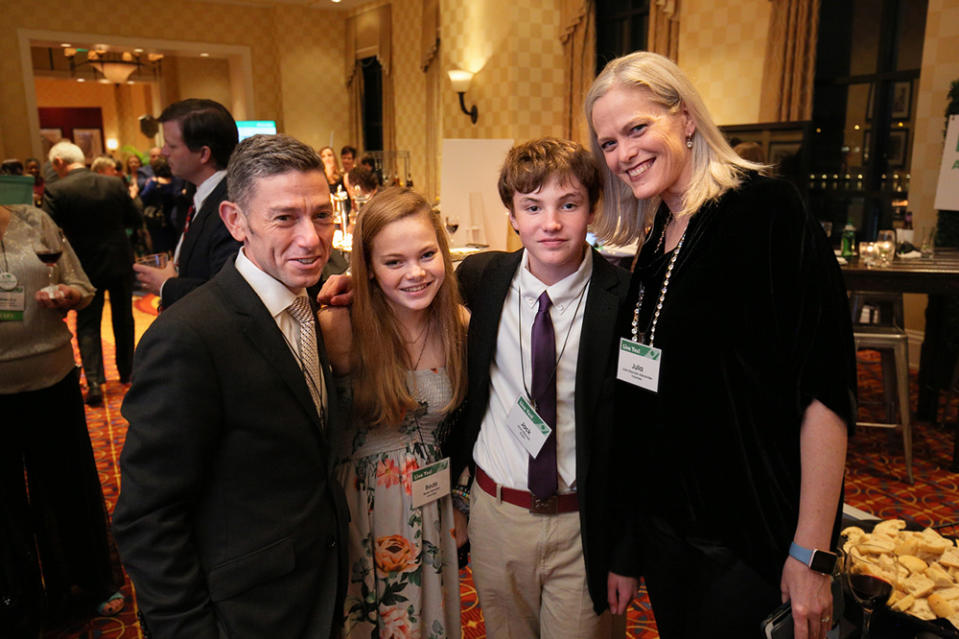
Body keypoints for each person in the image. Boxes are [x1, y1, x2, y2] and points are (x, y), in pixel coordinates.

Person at [586, 51, 856, 639]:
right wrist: (630, 544)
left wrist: (814, 553)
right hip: (668, 537)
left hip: (748, 540)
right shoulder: (658, 231)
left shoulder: (766, 211)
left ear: (684, 118)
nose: (624, 153)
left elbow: (825, 392)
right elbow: (642, 401)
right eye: (608, 143)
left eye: (637, 129)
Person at [113, 134, 349, 639]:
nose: (312, 238)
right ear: (235, 221)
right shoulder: (188, 336)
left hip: (318, 589)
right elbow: (147, 516)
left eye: (322, 215)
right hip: (244, 613)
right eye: (285, 218)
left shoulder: (308, 301)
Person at [445, 137, 638, 638]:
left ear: (591, 209)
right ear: (511, 215)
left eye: (567, 205)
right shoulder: (483, 278)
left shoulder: (624, 303)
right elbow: (412, 292)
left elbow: (638, 437)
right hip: (496, 515)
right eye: (532, 207)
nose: (550, 223)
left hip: (582, 525)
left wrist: (625, 551)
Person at [319, 186, 467, 639]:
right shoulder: (339, 326)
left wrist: (459, 506)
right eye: (394, 261)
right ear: (368, 268)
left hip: (430, 501)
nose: (416, 273)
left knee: (417, 620)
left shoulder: (458, 324)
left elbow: (469, 427)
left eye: (427, 254)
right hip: (357, 505)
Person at [0, 204, 124, 636]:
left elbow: (80, 284)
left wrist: (70, 295)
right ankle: (15, 597)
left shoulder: (33, 220)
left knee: (66, 486)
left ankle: (86, 582)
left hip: (51, 377)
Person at [43, 141, 140, 405]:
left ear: (59, 163)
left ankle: (95, 382)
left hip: (83, 267)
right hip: (119, 260)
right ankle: (128, 373)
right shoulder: (112, 183)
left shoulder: (56, 189)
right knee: (124, 318)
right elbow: (134, 219)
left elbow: (48, 233)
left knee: (87, 323)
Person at [133, 99, 240, 309]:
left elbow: (229, 292)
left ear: (203, 154)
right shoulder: (197, 193)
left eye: (171, 145)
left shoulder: (231, 206)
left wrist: (167, 285)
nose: (164, 152)